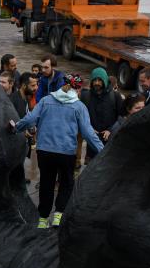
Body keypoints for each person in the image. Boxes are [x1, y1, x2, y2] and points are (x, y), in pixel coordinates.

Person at [13, 74, 103, 229]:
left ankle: (43, 219)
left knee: (46, 183)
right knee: (66, 183)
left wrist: (15, 128)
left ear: (61, 86)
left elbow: (29, 119)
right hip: (66, 152)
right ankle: (58, 216)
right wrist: (103, 150)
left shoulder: (46, 100)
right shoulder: (79, 107)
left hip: (45, 151)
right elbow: (88, 133)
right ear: (78, 89)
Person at [79, 66, 124, 147]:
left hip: (110, 142)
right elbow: (81, 117)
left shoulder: (115, 96)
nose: (97, 83)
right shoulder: (86, 96)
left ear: (105, 80)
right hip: (92, 142)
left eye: (100, 80)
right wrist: (89, 129)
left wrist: (110, 130)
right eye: (94, 80)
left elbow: (121, 117)